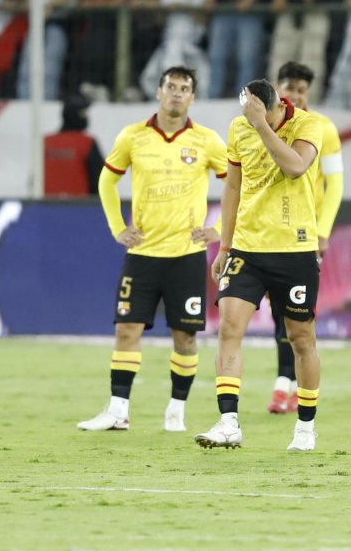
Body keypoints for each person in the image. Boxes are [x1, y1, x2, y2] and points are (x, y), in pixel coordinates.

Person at [78, 66, 228, 433]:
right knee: (127, 329)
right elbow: (106, 181)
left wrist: (220, 230)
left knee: (186, 337)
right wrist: (118, 228)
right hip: (143, 255)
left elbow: (237, 186)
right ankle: (118, 411)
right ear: (159, 92)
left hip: (186, 256)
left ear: (192, 98)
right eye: (171, 87)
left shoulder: (208, 141)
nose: (177, 94)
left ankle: (176, 410)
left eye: (185, 88)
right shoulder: (133, 137)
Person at [197, 79, 325, 451]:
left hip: (295, 250)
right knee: (229, 329)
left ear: (276, 107)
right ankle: (228, 422)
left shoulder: (307, 124)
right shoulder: (239, 127)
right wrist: (225, 244)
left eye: (258, 114)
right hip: (247, 250)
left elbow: (296, 167)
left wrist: (262, 126)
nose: (250, 120)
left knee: (301, 339)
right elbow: (233, 186)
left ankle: (304, 428)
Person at [266, 62, 343, 414]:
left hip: (305, 232)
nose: (294, 95)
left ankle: (293, 385)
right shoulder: (265, 125)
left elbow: (336, 183)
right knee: (276, 310)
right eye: (289, 88)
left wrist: (322, 230)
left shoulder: (323, 128)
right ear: (277, 88)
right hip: (270, 229)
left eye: (301, 90)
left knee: (298, 312)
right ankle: (284, 381)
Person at [44, 97, 103, 197]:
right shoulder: (87, 143)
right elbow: (100, 180)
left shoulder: (46, 142)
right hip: (79, 208)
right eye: (84, 114)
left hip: (45, 206)